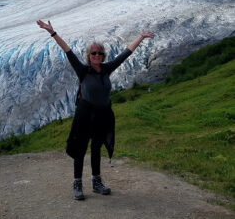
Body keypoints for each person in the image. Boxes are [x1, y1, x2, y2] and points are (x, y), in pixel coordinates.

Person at [36, 20, 154, 200]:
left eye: (99, 53)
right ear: (89, 56)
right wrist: (52, 33)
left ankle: (96, 182)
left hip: (102, 115)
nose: (97, 55)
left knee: (97, 148)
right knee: (80, 149)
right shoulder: (83, 71)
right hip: (85, 115)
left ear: (103, 55)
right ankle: (77, 183)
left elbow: (126, 53)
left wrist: (141, 37)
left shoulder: (107, 69)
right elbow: (68, 51)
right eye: (93, 53)